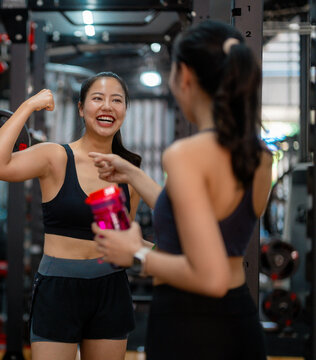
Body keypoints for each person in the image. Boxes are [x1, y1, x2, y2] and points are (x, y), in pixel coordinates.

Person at [90, 20, 272, 360]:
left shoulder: (186, 154)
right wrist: (133, 174)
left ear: (184, 76)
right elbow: (197, 217)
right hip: (240, 323)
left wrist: (137, 254)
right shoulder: (259, 156)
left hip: (190, 327)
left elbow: (210, 277)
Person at [0, 72, 146, 360]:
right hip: (58, 289)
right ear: (81, 109)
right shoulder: (56, 157)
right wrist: (29, 106)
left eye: (116, 100)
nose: (107, 106)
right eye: (97, 98)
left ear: (124, 111)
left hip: (110, 289)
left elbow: (121, 242)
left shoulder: (128, 173)